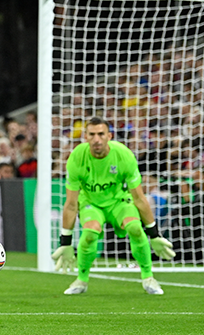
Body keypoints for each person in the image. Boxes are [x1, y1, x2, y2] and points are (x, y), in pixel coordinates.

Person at [51, 117, 175, 295]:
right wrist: (66, 242)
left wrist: (154, 234)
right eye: (92, 134)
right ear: (85, 137)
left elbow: (139, 198)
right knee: (89, 234)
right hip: (91, 203)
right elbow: (71, 204)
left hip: (118, 201)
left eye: (101, 134)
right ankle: (82, 280)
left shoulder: (123, 155)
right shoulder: (76, 158)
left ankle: (148, 277)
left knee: (135, 227)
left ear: (109, 135)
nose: (96, 139)